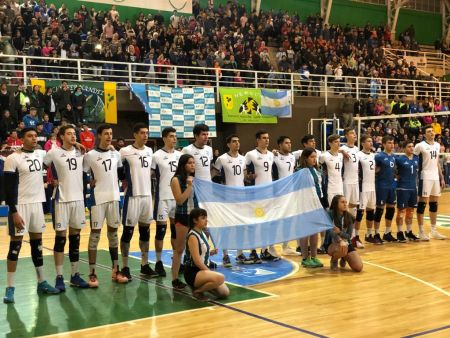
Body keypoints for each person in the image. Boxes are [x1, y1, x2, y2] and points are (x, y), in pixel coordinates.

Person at [3, 127, 60, 303]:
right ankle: (10, 288)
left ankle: (41, 281)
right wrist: (13, 212)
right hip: (20, 206)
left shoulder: (42, 154)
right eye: (30, 136)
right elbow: (8, 188)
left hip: (37, 205)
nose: (34, 138)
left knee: (38, 245)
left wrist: (77, 143)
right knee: (15, 247)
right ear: (21, 139)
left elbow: (63, 152)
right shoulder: (13, 158)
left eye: (36, 136)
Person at [43, 125, 89, 290]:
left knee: (75, 238)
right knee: (60, 238)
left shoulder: (81, 151)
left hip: (78, 200)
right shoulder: (53, 152)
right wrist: (49, 179)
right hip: (61, 200)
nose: (73, 136)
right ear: (61, 137)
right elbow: (41, 165)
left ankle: (75, 275)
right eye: (69, 134)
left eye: (74, 134)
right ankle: (59, 276)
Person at [83, 124, 128, 286]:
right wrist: (89, 181)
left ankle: (115, 270)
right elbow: (83, 175)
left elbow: (122, 174)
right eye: (106, 134)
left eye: (111, 133)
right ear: (99, 136)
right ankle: (92, 273)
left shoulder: (116, 154)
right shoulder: (90, 155)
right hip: (97, 200)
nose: (109, 136)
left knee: (113, 234)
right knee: (95, 235)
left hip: (114, 198)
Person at [119, 123, 158, 281]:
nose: (145, 135)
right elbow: (117, 169)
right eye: (142, 133)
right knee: (127, 233)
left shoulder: (150, 151)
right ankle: (125, 266)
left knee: (145, 232)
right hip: (132, 197)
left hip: (147, 196)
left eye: (147, 133)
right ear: (135, 135)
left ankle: (144, 264)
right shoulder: (125, 151)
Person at [213, 134, 254, 266]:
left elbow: (244, 178)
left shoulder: (243, 159)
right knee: (227, 227)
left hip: (241, 197)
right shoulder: (221, 159)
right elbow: (213, 176)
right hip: (227, 198)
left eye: (238, 141)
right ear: (228, 144)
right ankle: (225, 255)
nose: (237, 143)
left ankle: (239, 254)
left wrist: (250, 177)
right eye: (234, 141)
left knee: (240, 226)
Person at [151, 127, 182, 277]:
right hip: (162, 198)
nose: (174, 139)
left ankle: (177, 261)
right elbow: (149, 174)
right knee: (161, 232)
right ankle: (158, 262)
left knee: (176, 232)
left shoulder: (180, 155)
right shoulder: (156, 156)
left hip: (177, 198)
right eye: (171, 136)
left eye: (175, 136)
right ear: (164, 138)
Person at [245, 130, 278, 262]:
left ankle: (264, 251)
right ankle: (253, 251)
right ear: (257, 140)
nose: (267, 140)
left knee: (267, 223)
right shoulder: (250, 154)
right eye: (264, 138)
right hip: (256, 195)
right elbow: (244, 174)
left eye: (268, 138)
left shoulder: (271, 155)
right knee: (255, 223)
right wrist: (248, 177)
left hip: (268, 195)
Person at [184, 208, 230, 300]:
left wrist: (211, 252)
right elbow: (197, 261)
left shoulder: (202, 233)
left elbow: (201, 252)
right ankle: (197, 291)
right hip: (193, 272)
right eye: (203, 218)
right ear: (195, 220)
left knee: (224, 292)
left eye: (206, 218)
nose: (206, 220)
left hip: (201, 271)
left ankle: (200, 286)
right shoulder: (193, 236)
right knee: (220, 278)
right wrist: (209, 272)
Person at [170, 154, 198, 290]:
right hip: (182, 217)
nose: (193, 165)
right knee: (179, 249)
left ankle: (195, 276)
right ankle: (175, 279)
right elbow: (180, 200)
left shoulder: (194, 179)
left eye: (194, 163)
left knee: (195, 249)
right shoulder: (176, 180)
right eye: (190, 163)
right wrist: (189, 186)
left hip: (195, 218)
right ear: (183, 165)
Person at [414, 125, 447, 240]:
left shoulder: (437, 145)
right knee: (422, 203)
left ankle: (433, 230)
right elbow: (413, 159)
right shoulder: (420, 146)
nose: (432, 133)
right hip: (425, 175)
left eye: (432, 131)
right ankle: (421, 231)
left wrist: (441, 177)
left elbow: (437, 161)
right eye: (429, 131)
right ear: (424, 134)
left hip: (435, 177)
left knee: (434, 203)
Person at [273, 136, 301, 256]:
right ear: (280, 144)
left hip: (290, 193)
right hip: (278, 193)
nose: (289, 145)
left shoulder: (292, 156)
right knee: (276, 220)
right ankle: (271, 246)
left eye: (290, 143)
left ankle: (286, 246)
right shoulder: (274, 156)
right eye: (286, 143)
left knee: (289, 220)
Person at [297, 148, 324, 268]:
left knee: (314, 232)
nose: (314, 159)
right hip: (304, 205)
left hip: (316, 204)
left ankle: (314, 257)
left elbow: (319, 188)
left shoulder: (316, 170)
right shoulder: (300, 171)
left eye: (315, 157)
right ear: (306, 158)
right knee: (305, 232)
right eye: (312, 157)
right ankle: (304, 258)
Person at [324, 195, 363, 272]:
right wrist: (339, 240)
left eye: (346, 202)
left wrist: (340, 232)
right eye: (342, 202)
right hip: (331, 244)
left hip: (346, 243)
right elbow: (330, 231)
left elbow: (348, 236)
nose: (345, 204)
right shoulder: (329, 214)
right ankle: (334, 260)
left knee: (358, 267)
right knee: (342, 247)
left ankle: (343, 257)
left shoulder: (350, 217)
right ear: (336, 204)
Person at [373, 135, 397, 244]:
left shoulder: (394, 156)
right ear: (383, 144)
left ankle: (387, 233)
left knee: (391, 209)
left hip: (392, 186)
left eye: (392, 143)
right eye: (389, 143)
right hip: (381, 186)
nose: (391, 145)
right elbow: (374, 170)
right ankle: (376, 233)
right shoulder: (378, 156)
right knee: (379, 209)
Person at [395, 140, 420, 242]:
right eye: (409, 146)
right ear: (405, 148)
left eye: (412, 146)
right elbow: (392, 170)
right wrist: (396, 177)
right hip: (402, 188)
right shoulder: (400, 159)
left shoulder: (416, 158)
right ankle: (399, 232)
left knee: (410, 212)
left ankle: (409, 232)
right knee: (401, 211)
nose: (411, 148)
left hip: (413, 188)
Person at [355, 135, 376, 245]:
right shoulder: (358, 155)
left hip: (372, 187)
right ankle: (356, 237)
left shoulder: (373, 155)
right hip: (363, 187)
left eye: (371, 141)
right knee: (360, 213)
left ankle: (368, 235)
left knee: (371, 212)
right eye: (368, 141)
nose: (371, 143)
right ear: (362, 143)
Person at [340, 128, 360, 220]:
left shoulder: (356, 148)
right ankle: (344, 227)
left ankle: (351, 229)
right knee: (345, 205)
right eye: (352, 133)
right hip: (347, 181)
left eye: (355, 133)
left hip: (355, 181)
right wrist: (342, 152)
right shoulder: (343, 148)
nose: (354, 135)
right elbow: (334, 151)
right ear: (346, 136)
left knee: (354, 205)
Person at [319, 134, 344, 207]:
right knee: (331, 209)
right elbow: (317, 167)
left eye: (339, 141)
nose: (339, 143)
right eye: (336, 142)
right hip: (330, 187)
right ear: (330, 143)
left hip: (340, 187)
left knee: (340, 209)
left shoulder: (340, 155)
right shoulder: (324, 156)